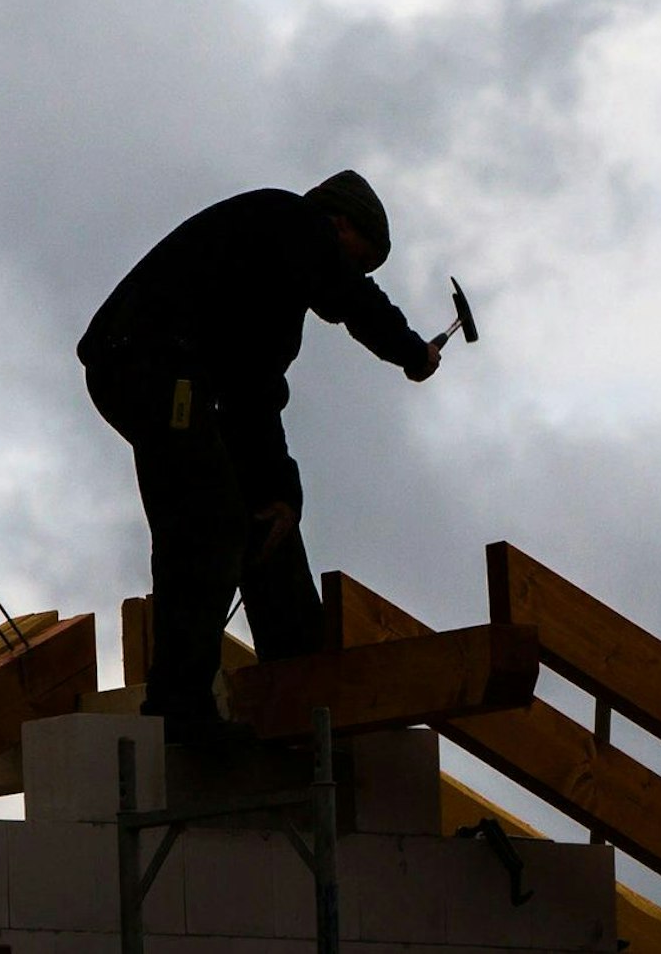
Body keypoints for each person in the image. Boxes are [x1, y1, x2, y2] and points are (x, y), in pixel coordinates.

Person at [78, 170, 441, 742]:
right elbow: (352, 300)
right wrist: (409, 350)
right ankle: (180, 705)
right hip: (149, 365)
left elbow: (254, 400)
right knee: (207, 525)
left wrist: (282, 497)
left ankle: (295, 686)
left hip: (165, 376)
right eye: (359, 260)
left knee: (255, 522)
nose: (357, 274)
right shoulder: (289, 221)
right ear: (340, 223)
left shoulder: (265, 290)